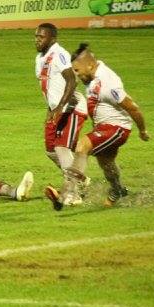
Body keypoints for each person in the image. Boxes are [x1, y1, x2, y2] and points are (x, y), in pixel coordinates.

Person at [46, 43, 149, 209]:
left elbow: (133, 107)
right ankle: (118, 189)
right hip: (104, 127)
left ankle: (67, 193)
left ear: (90, 65)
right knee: (106, 163)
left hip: (117, 128)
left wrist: (143, 130)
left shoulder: (107, 83)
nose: (77, 76)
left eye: (78, 71)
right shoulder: (93, 73)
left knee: (82, 146)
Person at [34, 23, 89, 187]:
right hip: (56, 109)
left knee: (61, 148)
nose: (37, 40)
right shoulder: (39, 59)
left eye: (41, 37)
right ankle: (79, 179)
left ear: (52, 39)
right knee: (51, 151)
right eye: (36, 36)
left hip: (71, 108)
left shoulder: (59, 54)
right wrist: (51, 109)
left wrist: (60, 107)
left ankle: (72, 192)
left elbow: (72, 81)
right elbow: (49, 89)